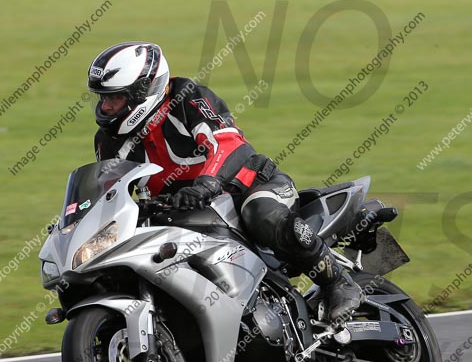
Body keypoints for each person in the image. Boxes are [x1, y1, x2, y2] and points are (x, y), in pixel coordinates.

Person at [87, 42, 362, 321]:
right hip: (182, 214)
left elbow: (227, 143)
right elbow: (107, 190)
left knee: (261, 212)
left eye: (116, 98)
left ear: (143, 91)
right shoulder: (108, 140)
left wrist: (207, 183)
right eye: (102, 98)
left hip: (248, 186)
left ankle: (338, 283)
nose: (106, 107)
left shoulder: (188, 99)